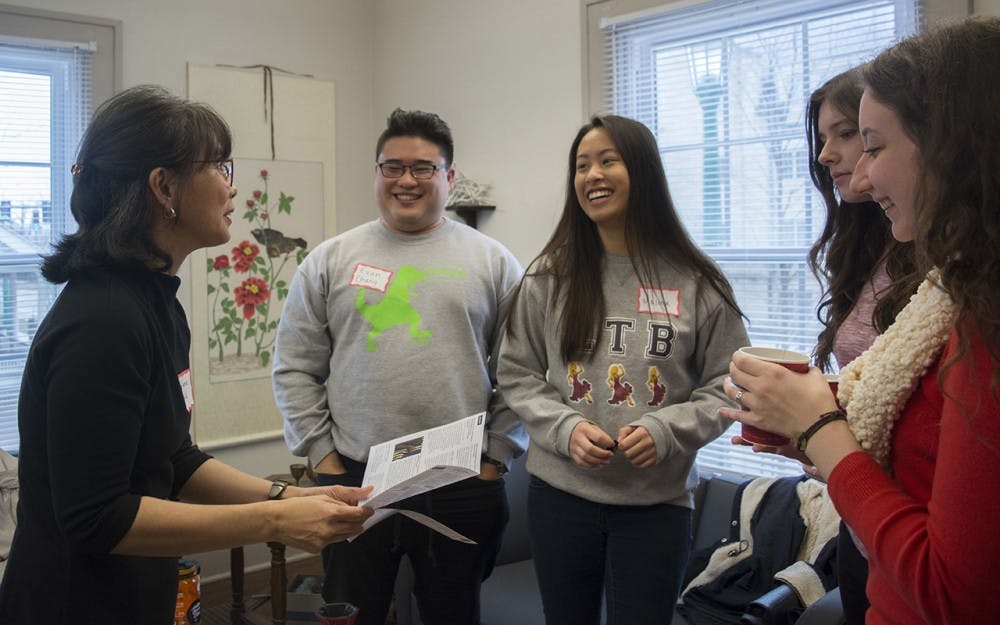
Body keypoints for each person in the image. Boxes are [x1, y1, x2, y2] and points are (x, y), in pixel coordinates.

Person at [0, 85, 373, 625]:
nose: (232, 186)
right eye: (220, 167)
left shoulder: (155, 301)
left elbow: (174, 460)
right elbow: (97, 517)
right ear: (164, 186)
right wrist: (274, 524)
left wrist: (284, 498)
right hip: (72, 603)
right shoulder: (104, 319)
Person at [723, 16, 1000, 625]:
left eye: (870, 144)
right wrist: (801, 422)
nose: (862, 172)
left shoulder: (982, 324)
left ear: (951, 146)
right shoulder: (953, 291)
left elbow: (951, 594)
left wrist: (819, 428)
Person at [272, 108, 526, 625]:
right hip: (354, 479)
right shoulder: (329, 260)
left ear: (449, 177)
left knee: (453, 615)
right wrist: (324, 459)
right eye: (393, 167)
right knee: (352, 613)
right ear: (376, 173)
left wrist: (495, 460)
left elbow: (522, 372)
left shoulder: (494, 262)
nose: (406, 180)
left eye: (423, 168)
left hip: (462, 482)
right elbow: (294, 367)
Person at [498, 114, 749, 625]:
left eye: (608, 161)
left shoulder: (697, 280)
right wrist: (565, 428)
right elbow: (517, 373)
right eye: (582, 165)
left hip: (657, 505)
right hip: (559, 498)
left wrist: (666, 429)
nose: (593, 175)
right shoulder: (549, 275)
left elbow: (729, 386)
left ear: (643, 171)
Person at [740, 68, 920, 625]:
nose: (826, 155)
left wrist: (820, 430)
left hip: (909, 527)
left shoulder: (935, 264)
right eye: (823, 138)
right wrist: (806, 435)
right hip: (860, 522)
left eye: (849, 135)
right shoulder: (864, 249)